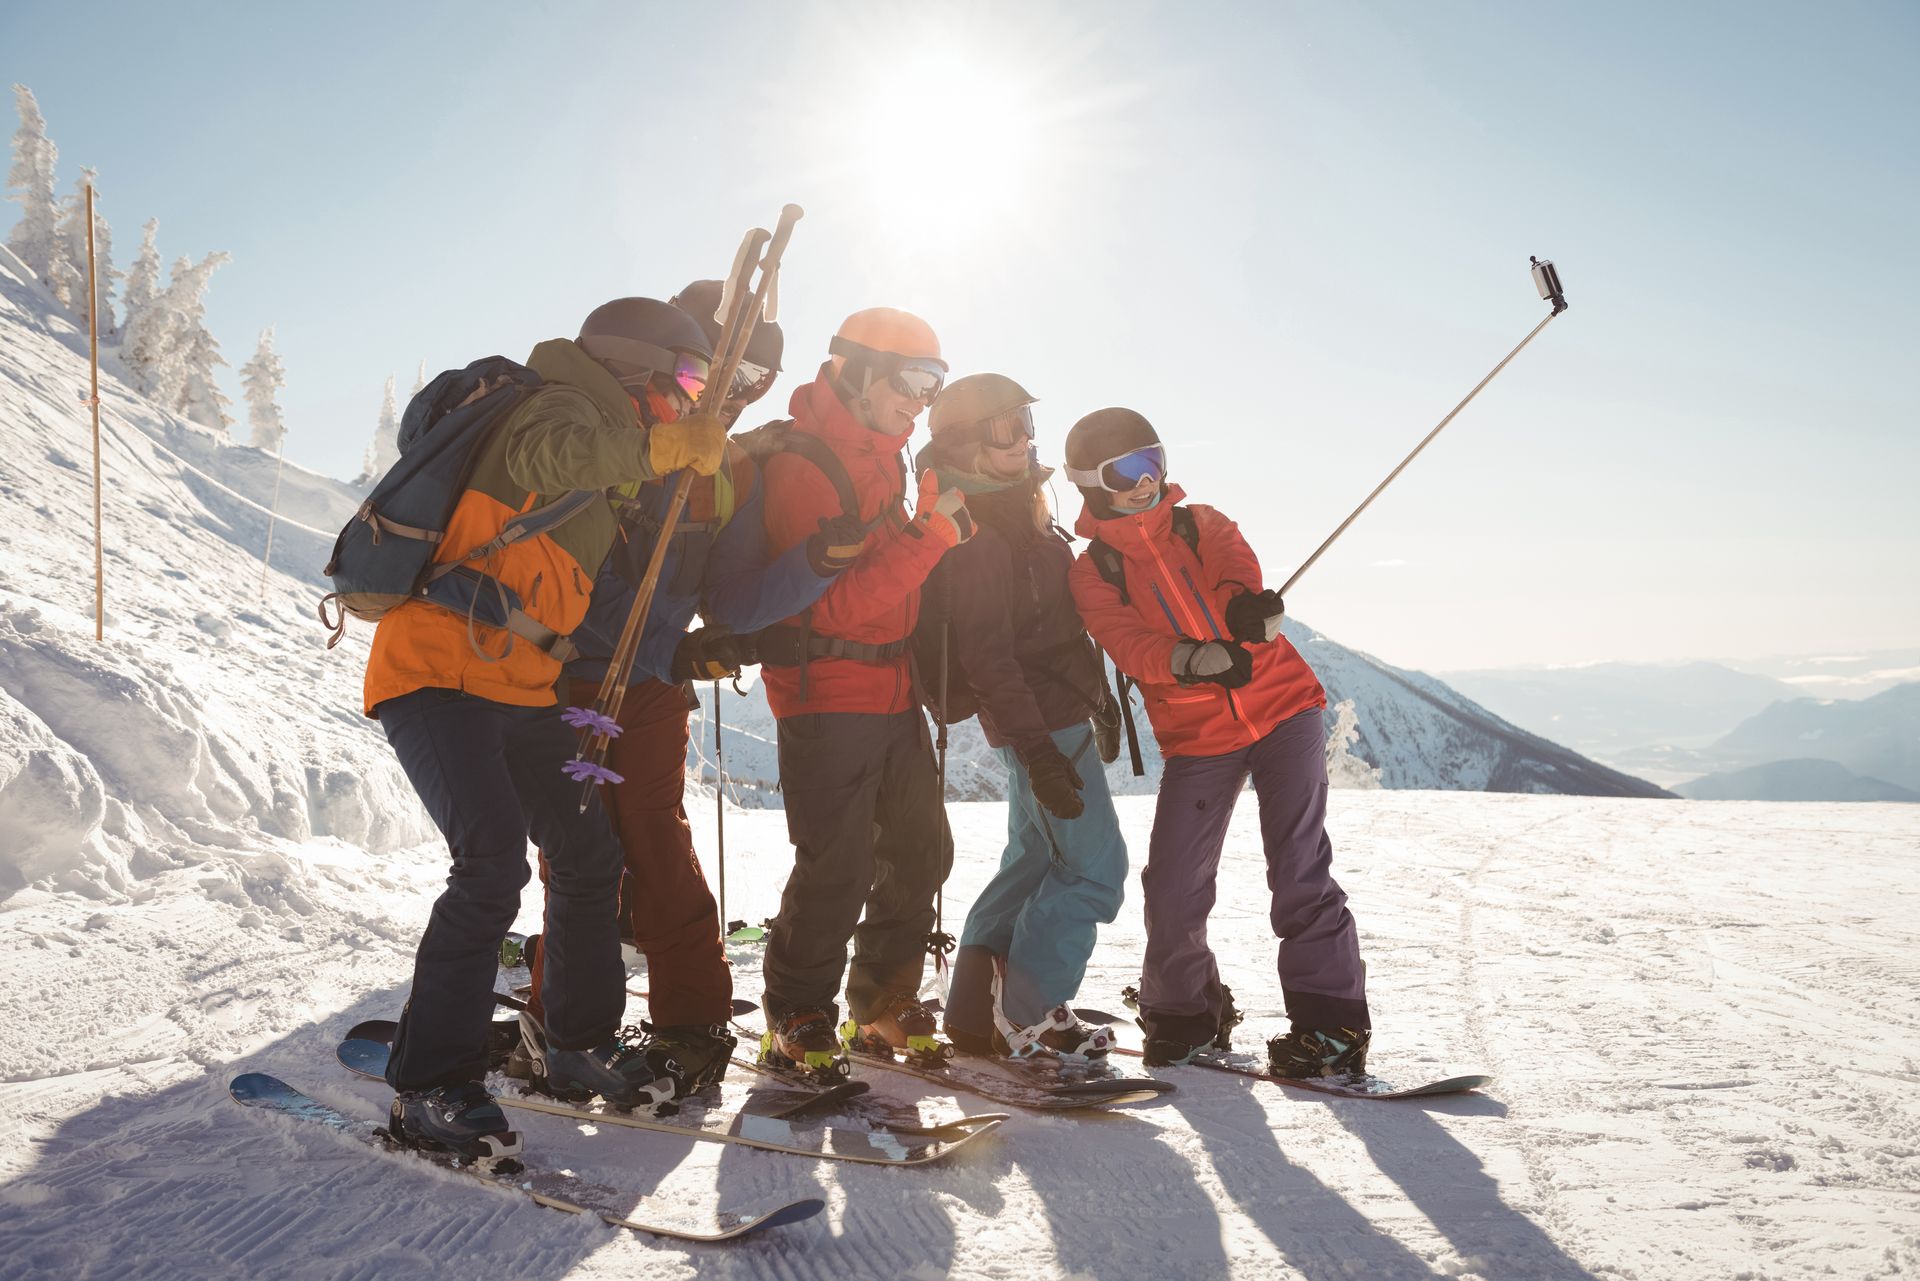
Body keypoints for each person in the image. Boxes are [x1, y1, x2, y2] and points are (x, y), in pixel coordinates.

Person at [362, 298, 729, 1163]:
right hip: (436, 668)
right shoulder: (553, 402)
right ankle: (430, 1086)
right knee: (490, 864)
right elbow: (549, 454)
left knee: (588, 850)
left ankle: (576, 1041)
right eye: (687, 376)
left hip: (521, 682)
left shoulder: (612, 450)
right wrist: (655, 449)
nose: (692, 395)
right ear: (636, 365)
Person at [514, 282, 850, 1102]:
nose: (737, 391)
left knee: (656, 844)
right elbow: (569, 573)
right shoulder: (609, 437)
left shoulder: (730, 469)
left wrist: (813, 565)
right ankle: (562, 1019)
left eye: (757, 379)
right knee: (578, 855)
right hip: (563, 677)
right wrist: (673, 646)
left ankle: (691, 1021)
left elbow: (730, 597)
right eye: (723, 371)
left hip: (651, 685)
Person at [1063, 407, 1373, 1074]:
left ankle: (1332, 1023)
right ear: (1090, 483)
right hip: (1199, 736)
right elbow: (1127, 643)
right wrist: (1189, 660)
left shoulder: (1202, 523)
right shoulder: (1095, 571)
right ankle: (1184, 1013)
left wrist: (1246, 611)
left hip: (1284, 708)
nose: (1145, 481)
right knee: (1174, 881)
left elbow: (1236, 572)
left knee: (1298, 865)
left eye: (1152, 461)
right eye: (1125, 470)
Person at [754, 308, 974, 1078]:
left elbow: (891, 575)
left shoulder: (886, 455)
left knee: (922, 848)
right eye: (912, 379)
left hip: (891, 684)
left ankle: (881, 999)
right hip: (825, 686)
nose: (921, 399)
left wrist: (931, 528)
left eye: (933, 384)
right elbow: (831, 608)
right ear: (858, 372)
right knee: (838, 865)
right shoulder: (804, 466)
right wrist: (930, 536)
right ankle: (797, 1012)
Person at [914, 374, 1127, 1061]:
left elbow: (1052, 630)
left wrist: (1098, 701)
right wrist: (1039, 751)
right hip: (1039, 723)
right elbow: (990, 657)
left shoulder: (1016, 512)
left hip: (1050, 716)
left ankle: (976, 1011)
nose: (1024, 439)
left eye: (1027, 422)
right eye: (1005, 428)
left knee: (1034, 860)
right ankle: (1031, 1015)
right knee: (1094, 869)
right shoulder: (980, 536)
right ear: (963, 444)